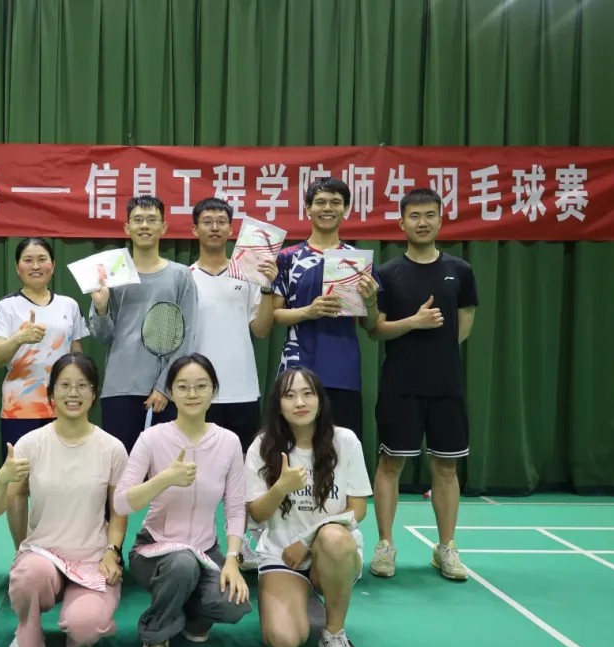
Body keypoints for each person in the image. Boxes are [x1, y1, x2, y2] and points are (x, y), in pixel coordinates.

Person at [0, 353, 128, 647]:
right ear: (51, 394)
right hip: (44, 555)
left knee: (86, 629)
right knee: (28, 576)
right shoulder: (29, 444)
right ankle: (28, 632)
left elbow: (119, 512)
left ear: (95, 393)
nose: (73, 393)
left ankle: (78, 630)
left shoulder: (113, 448)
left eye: (82, 385)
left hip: (92, 559)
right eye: (64, 385)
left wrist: (112, 551)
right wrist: (3, 481)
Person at [113, 353, 251, 647]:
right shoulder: (151, 439)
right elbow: (121, 503)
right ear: (171, 393)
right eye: (183, 386)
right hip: (155, 549)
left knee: (234, 604)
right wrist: (163, 479)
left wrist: (232, 559)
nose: (192, 393)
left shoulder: (229, 442)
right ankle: (156, 635)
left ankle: (193, 617)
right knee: (182, 564)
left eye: (201, 386)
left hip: (206, 551)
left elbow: (235, 507)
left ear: (214, 391)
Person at [367, 187, 479, 582]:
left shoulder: (460, 271)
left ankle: (446, 547)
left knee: (446, 468)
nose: (422, 222)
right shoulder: (387, 273)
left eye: (429, 215)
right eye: (414, 215)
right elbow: (375, 330)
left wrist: (438, 351)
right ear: (401, 223)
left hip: (446, 385)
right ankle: (385, 545)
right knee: (390, 464)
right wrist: (414, 323)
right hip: (400, 384)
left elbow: (464, 323)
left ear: (440, 220)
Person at [244, 366, 372, 647]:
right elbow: (256, 514)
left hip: (333, 551)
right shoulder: (262, 447)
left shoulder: (345, 441)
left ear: (319, 399)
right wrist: (281, 488)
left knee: (333, 538)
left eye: (307, 394)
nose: (300, 402)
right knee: (284, 642)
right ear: (278, 405)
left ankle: (334, 634)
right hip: (282, 554)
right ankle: (290, 596)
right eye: (290, 396)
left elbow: (358, 510)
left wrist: (307, 540)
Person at [188, 196, 279, 570]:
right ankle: (197, 543)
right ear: (194, 229)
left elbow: (262, 330)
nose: (214, 227)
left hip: (242, 390)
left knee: (244, 474)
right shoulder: (184, 278)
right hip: (197, 395)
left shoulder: (250, 275)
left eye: (221, 221)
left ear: (231, 229)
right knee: (198, 474)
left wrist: (269, 288)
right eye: (207, 221)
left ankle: (244, 545)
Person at [0, 238, 88, 549]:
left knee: (63, 483)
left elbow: (77, 356)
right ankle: (22, 550)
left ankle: (61, 546)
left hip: (64, 408)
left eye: (42, 259)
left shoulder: (69, 305)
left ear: (53, 266)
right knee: (18, 485)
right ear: (18, 268)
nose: (35, 266)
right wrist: (19, 339)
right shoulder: (6, 306)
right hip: (20, 408)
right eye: (28, 260)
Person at [271, 178, 380, 440]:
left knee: (342, 449)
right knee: (292, 447)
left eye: (335, 202)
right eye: (320, 202)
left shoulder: (357, 260)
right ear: (308, 208)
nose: (327, 208)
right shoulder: (288, 257)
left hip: (343, 371)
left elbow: (370, 325)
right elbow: (276, 314)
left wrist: (370, 301)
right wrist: (309, 311)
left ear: (346, 209)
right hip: (297, 368)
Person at [88, 195, 198, 453]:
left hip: (165, 393)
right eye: (138, 220)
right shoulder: (110, 274)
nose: (145, 225)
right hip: (119, 389)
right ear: (127, 228)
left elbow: (187, 336)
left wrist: (164, 387)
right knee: (121, 469)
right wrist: (101, 307)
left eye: (151, 220)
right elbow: (102, 337)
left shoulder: (180, 275)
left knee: (165, 469)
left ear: (164, 227)